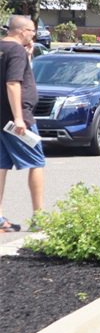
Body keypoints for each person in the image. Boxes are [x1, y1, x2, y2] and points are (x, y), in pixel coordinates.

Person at [0, 15, 45, 232]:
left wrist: (28, 57)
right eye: (32, 31)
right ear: (21, 31)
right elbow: (12, 83)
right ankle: (39, 218)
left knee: (1, 166)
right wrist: (18, 118)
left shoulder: (4, 49)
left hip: (1, 118)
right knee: (37, 162)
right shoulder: (16, 51)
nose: (34, 35)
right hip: (16, 120)